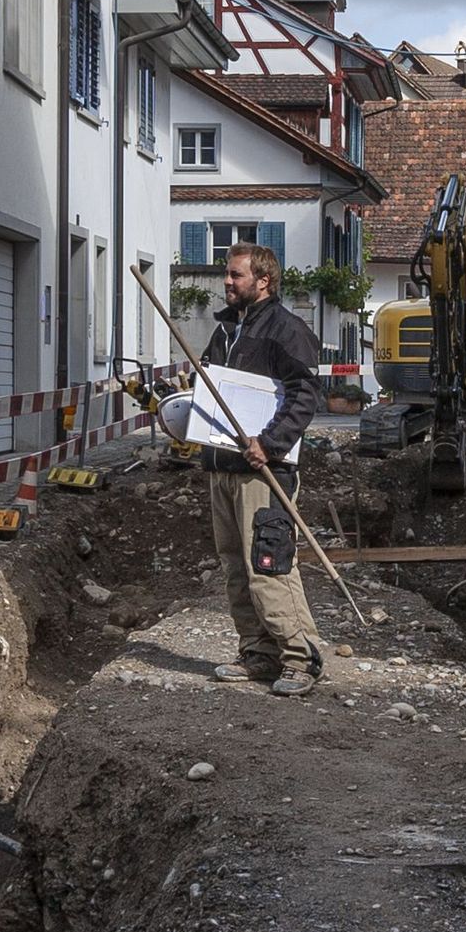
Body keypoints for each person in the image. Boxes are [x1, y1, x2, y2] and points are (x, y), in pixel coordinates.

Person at [188, 236, 334, 693]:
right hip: (223, 468)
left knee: (268, 565)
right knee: (234, 565)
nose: (226, 282)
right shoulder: (226, 332)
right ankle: (258, 652)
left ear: (263, 280)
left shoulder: (286, 330)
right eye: (226, 274)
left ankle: (300, 658)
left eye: (235, 275)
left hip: (262, 472)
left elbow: (305, 395)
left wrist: (270, 444)